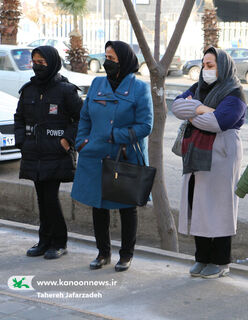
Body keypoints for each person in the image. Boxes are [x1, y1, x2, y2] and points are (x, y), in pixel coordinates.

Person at [71, 41, 153, 272]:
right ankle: (102, 253)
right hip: (95, 154)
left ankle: (126, 255)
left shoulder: (139, 88)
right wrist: (82, 141)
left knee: (127, 207)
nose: (108, 62)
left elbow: (146, 125)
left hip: (123, 155)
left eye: (113, 58)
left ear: (125, 61)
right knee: (99, 206)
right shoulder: (97, 84)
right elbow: (85, 116)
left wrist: (115, 135)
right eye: (106, 57)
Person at [171, 47, 247, 279]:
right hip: (197, 152)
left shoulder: (235, 93)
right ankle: (202, 257)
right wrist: (202, 109)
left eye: (211, 65)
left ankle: (221, 261)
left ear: (222, 66)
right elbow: (176, 106)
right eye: (204, 64)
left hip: (222, 154)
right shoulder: (198, 88)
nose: (206, 69)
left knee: (219, 206)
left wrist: (193, 111)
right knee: (198, 203)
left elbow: (218, 122)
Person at [14, 46, 82, 259]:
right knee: (42, 199)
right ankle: (44, 241)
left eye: (42, 61)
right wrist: (21, 142)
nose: (37, 65)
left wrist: (67, 140)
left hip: (56, 154)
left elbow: (81, 118)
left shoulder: (66, 90)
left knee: (50, 198)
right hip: (33, 154)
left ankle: (59, 242)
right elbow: (19, 117)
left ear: (52, 62)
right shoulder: (29, 89)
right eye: (34, 61)